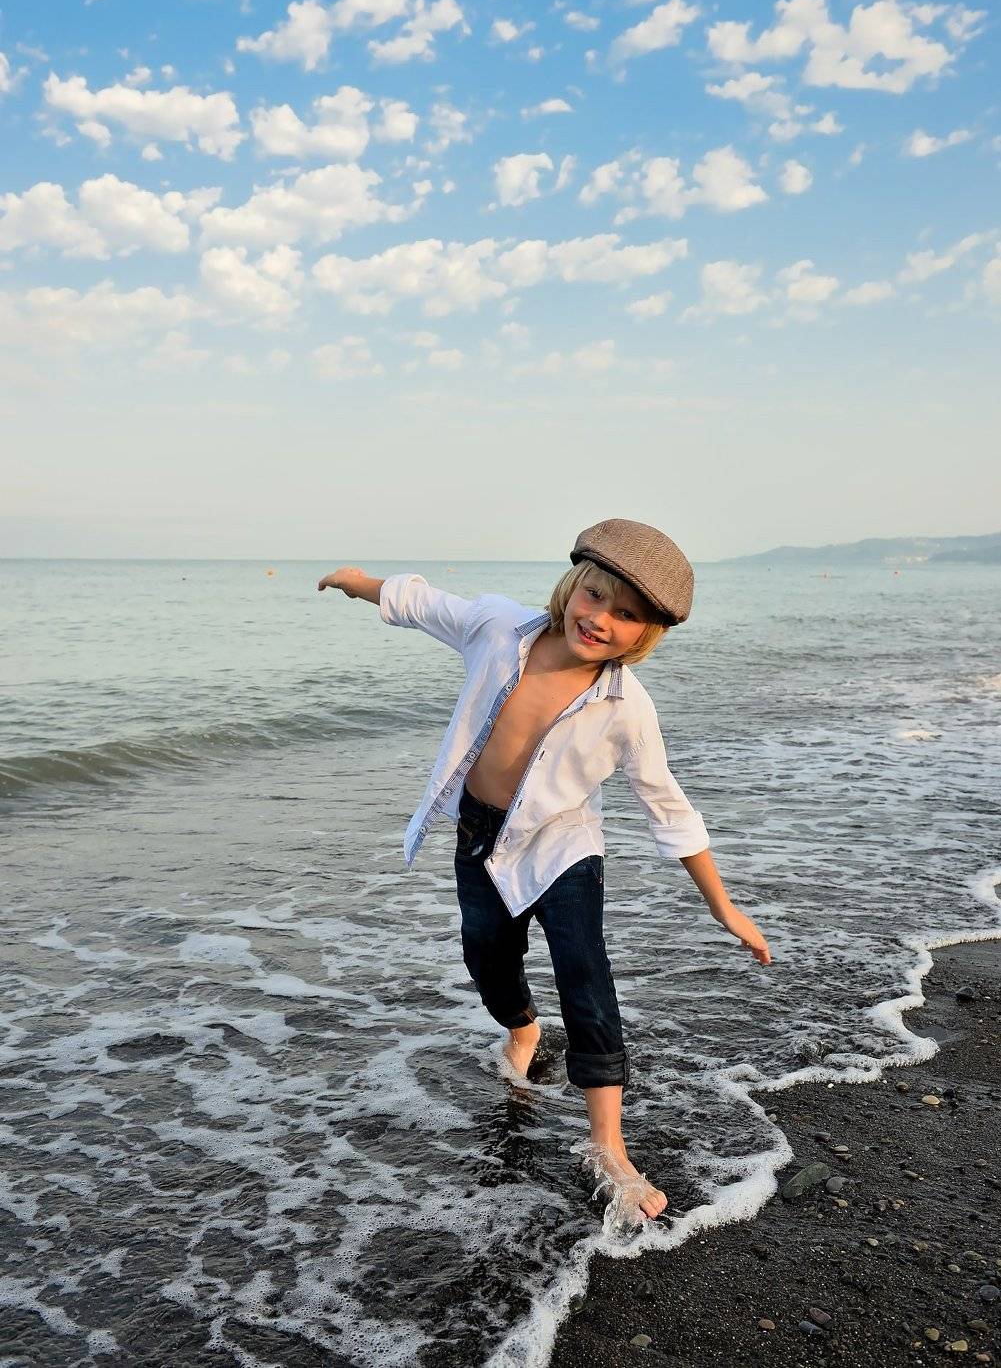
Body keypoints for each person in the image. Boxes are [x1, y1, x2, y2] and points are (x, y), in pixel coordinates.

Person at [319, 517, 771, 1221]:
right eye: (596, 595)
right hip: (480, 836)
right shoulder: (500, 629)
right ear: (573, 584)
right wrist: (360, 583)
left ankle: (608, 1147)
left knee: (585, 975)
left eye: (627, 615)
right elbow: (428, 603)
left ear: (647, 633)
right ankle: (522, 1028)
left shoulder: (627, 708)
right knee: (486, 957)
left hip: (564, 846)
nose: (602, 619)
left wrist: (722, 905)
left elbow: (667, 805)